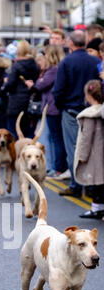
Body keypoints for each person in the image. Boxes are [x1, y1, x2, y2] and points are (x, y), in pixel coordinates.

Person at [53, 30, 100, 197]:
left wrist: (61, 106)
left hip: (71, 110)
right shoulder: (95, 61)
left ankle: (76, 184)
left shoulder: (66, 62)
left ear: (71, 43)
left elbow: (58, 90)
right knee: (93, 149)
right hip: (92, 110)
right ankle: (91, 186)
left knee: (73, 149)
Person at [25, 45, 67, 178]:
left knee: (55, 139)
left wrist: (37, 82)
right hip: (51, 107)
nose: (45, 57)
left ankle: (57, 168)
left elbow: (41, 85)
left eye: (47, 55)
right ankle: (54, 167)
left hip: (52, 108)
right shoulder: (55, 69)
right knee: (52, 138)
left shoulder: (53, 70)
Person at [74, 80, 104, 219]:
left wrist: (82, 156)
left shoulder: (89, 114)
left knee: (96, 183)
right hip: (101, 152)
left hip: (94, 154)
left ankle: (96, 208)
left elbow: (86, 137)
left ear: (88, 95)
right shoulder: (101, 111)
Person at [3, 40, 39, 139]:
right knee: (27, 131)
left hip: (16, 101)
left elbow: (11, 84)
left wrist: (4, 85)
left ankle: (16, 153)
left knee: (13, 131)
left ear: (17, 51)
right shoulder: (35, 65)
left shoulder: (16, 66)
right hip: (29, 101)